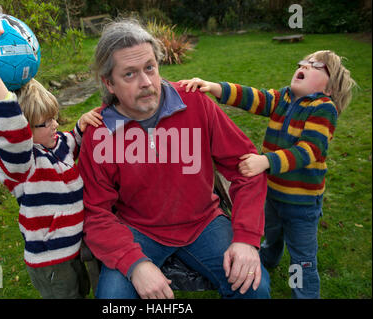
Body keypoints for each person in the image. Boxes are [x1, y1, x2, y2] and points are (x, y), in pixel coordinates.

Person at [78, 19, 271, 299]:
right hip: (138, 230)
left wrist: (245, 239)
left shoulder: (195, 103)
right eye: (129, 74)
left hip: (204, 222)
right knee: (113, 299)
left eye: (149, 68)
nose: (146, 83)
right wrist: (135, 264)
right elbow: (95, 212)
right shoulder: (99, 132)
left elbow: (247, 166)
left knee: (255, 287)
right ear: (109, 83)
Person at [179, 50, 356, 298]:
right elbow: (254, 97)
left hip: (301, 203)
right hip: (273, 192)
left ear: (330, 87)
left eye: (316, 65)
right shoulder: (284, 98)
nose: (303, 65)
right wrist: (214, 87)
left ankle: (305, 293)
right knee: (271, 233)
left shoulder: (323, 108)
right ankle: (269, 258)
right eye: (303, 62)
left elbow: (310, 151)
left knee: (302, 255)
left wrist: (266, 161)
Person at [0, 19, 103, 299]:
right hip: (50, 261)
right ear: (25, 131)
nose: (54, 125)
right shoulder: (22, 163)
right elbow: (11, 125)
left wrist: (82, 125)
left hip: (78, 248)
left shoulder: (58, 144)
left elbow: (75, 139)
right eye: (43, 123)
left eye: (54, 118)